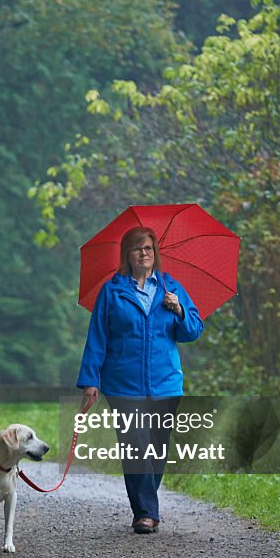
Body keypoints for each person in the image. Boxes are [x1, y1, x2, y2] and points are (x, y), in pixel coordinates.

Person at [76, 226, 204, 534]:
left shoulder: (172, 289)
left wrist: (180, 310)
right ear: (127, 255)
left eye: (148, 248)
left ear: (154, 253)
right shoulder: (112, 291)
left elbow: (193, 331)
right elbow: (98, 337)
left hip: (166, 383)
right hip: (123, 384)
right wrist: (90, 380)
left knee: (156, 451)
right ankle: (146, 512)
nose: (143, 253)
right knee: (136, 448)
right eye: (137, 249)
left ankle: (145, 505)